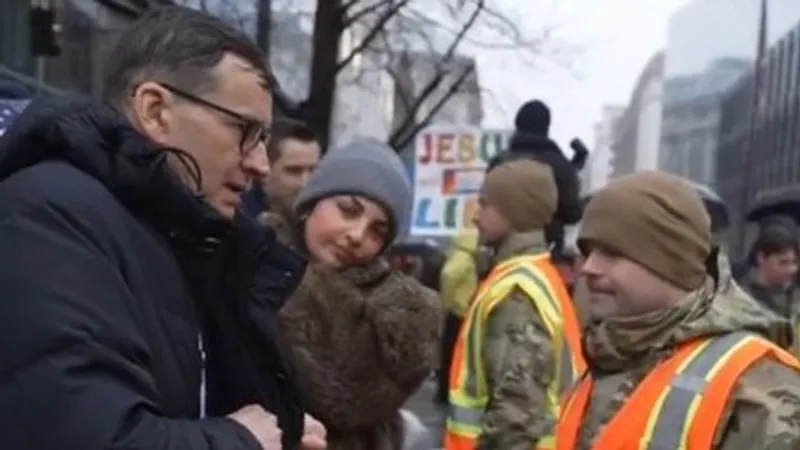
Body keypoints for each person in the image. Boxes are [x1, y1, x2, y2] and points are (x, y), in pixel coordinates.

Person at [0, 6, 324, 450]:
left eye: (264, 139)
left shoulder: (179, 240)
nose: (260, 165)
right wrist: (242, 442)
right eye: (244, 130)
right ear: (155, 110)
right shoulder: (48, 215)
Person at [556, 171, 800, 449]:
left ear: (671, 264)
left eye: (612, 253)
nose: (589, 268)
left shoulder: (759, 388)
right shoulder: (610, 354)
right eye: (588, 253)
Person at [260, 139, 442, 450]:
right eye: (348, 210)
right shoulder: (249, 263)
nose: (357, 235)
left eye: (377, 230)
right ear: (310, 205)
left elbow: (347, 402)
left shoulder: (396, 314)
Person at [446, 160, 586, 450]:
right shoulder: (533, 275)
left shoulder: (517, 291)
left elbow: (516, 418)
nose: (476, 216)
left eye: (485, 204)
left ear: (513, 212)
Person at [738, 224, 800, 353]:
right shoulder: (741, 298)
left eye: (794, 262)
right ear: (761, 258)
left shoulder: (794, 296)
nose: (791, 269)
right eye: (783, 262)